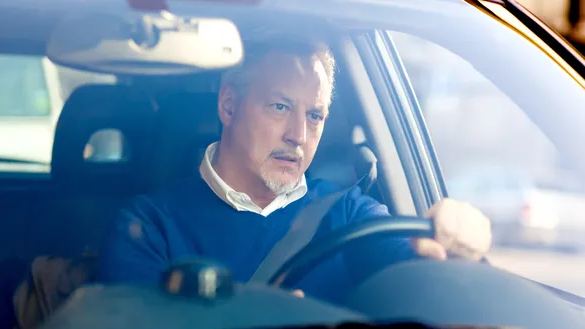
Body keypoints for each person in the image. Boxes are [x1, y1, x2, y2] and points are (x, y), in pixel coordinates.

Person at [96, 38, 492, 303]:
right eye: (280, 107)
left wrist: (456, 245)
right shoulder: (147, 226)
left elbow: (422, 277)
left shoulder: (349, 215)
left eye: (315, 115)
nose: (299, 135)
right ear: (229, 105)